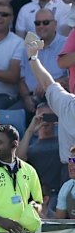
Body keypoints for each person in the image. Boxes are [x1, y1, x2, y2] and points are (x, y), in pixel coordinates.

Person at [26, 26, 75, 179]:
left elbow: (47, 83)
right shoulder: (67, 104)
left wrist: (33, 58)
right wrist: (33, 58)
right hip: (69, 173)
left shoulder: (67, 104)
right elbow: (47, 83)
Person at [17, 103, 62, 217]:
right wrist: (30, 130)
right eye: (42, 117)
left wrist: (63, 122)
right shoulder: (30, 146)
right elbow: (19, 159)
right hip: (39, 195)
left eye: (49, 117)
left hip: (60, 193)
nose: (45, 120)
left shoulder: (63, 141)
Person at [19, 8, 68, 112]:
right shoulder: (28, 47)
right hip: (30, 100)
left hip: (57, 99)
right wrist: (26, 97)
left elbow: (70, 78)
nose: (41, 26)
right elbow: (21, 79)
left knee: (46, 121)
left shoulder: (67, 45)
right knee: (5, 119)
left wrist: (50, 85)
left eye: (45, 23)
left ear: (55, 24)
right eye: (37, 23)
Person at [55, 145, 75, 219]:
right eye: (70, 160)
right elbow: (59, 224)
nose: (71, 164)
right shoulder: (66, 187)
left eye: (74, 160)